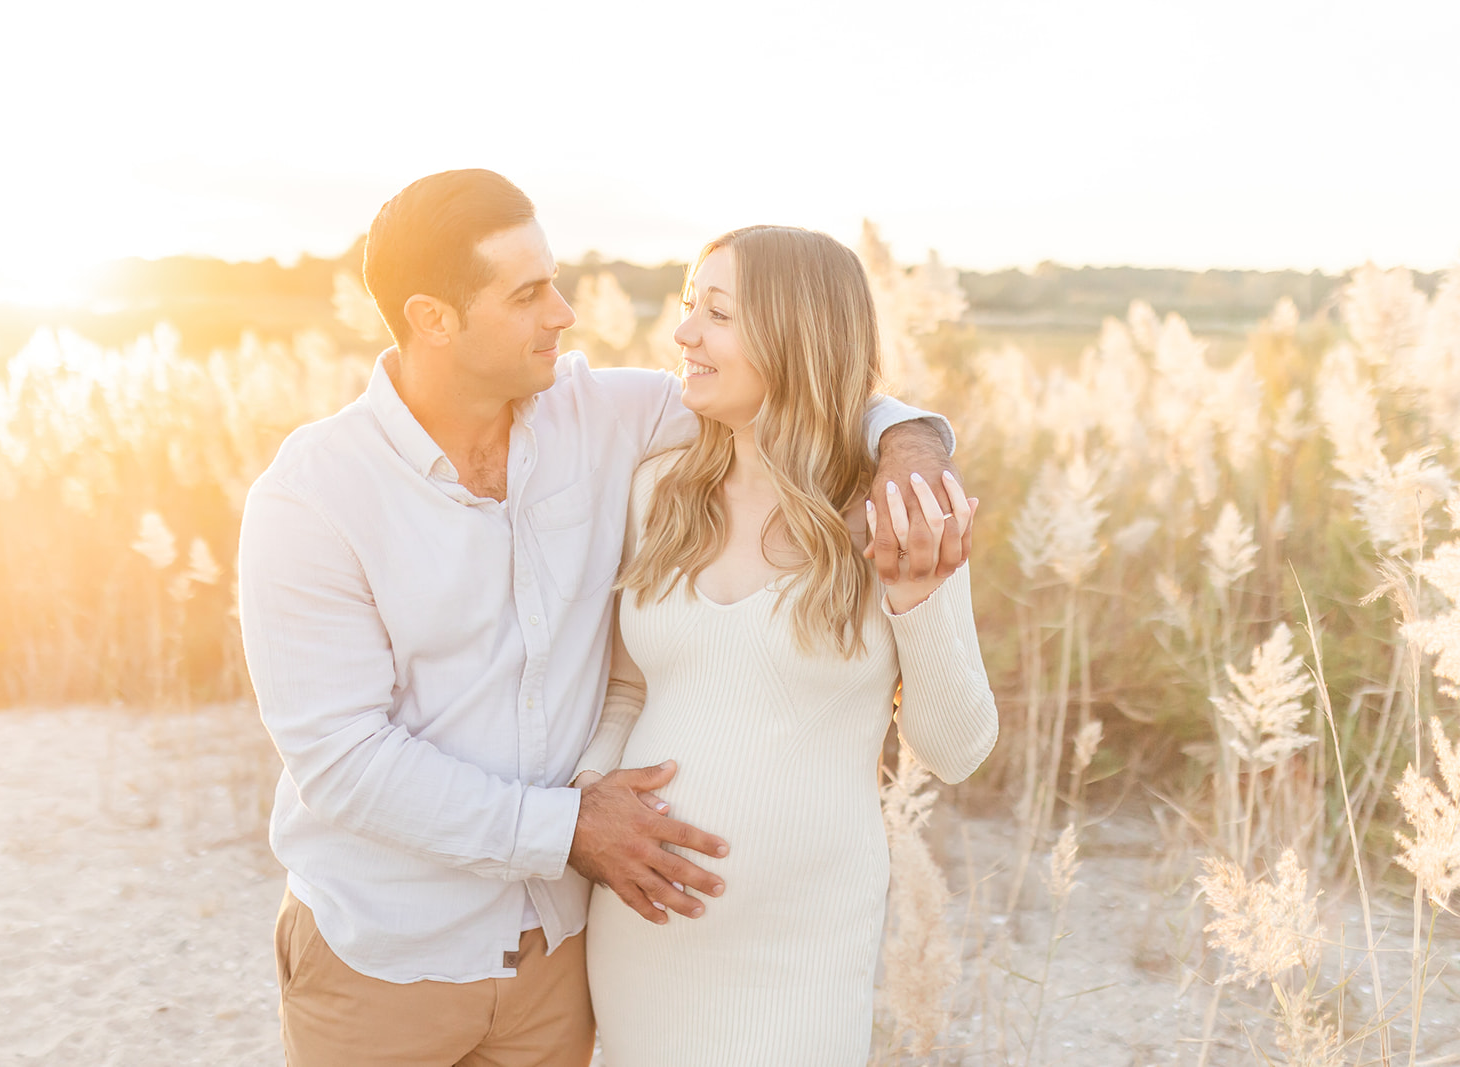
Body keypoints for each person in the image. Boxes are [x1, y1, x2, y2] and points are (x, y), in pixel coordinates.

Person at [238, 170, 969, 1067]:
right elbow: (341, 760)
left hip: (561, 955)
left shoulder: (603, 417)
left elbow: (804, 385)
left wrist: (913, 444)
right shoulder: (314, 495)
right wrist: (571, 828)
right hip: (390, 958)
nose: (563, 314)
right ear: (433, 318)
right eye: (528, 293)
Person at [574, 226, 999, 1067]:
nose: (685, 333)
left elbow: (956, 750)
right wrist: (592, 796)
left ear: (796, 333)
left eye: (717, 313)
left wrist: (917, 599)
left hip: (803, 945)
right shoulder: (657, 489)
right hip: (642, 928)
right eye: (689, 307)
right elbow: (627, 691)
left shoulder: (895, 505)